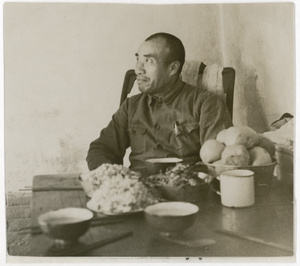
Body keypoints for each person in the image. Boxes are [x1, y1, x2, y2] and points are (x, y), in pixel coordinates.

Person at [86, 32, 232, 176]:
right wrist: (115, 179)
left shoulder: (206, 103)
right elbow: (101, 149)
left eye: (149, 61)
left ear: (172, 68)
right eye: (138, 60)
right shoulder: (131, 106)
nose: (138, 69)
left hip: (186, 189)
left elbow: (218, 159)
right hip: (138, 189)